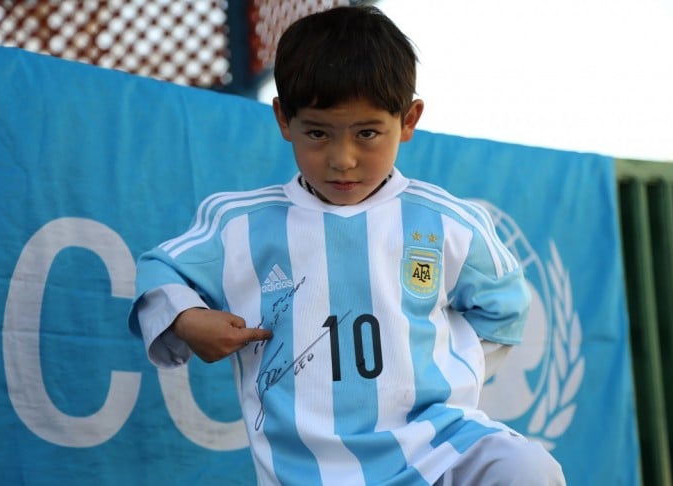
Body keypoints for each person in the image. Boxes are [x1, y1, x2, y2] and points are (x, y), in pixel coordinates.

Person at [129, 5, 566, 485]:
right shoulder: (239, 224)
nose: (342, 159)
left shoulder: (446, 223)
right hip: (306, 471)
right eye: (317, 132)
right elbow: (159, 270)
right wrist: (189, 320)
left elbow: (505, 306)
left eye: (368, 133)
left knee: (528, 468)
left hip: (437, 449)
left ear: (409, 119)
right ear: (282, 118)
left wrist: (436, 364)